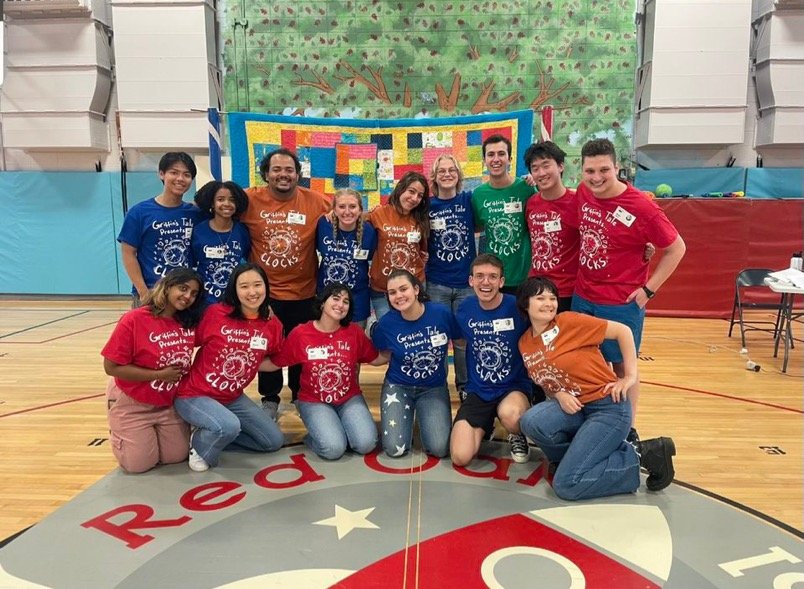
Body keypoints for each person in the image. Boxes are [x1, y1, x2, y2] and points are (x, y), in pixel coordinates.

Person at [517, 276, 676, 500]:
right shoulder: (525, 342)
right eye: (540, 297)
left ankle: (642, 455)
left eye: (552, 298)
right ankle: (577, 460)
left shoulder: (568, 322)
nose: (549, 303)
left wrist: (629, 376)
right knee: (530, 422)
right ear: (525, 303)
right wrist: (559, 394)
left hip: (607, 407)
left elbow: (623, 331)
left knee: (566, 485)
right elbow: (545, 379)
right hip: (575, 407)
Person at [573, 139, 686, 441]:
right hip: (583, 296)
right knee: (589, 364)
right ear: (581, 170)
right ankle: (597, 419)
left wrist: (648, 291)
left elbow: (676, 248)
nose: (596, 177)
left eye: (604, 170)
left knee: (625, 368)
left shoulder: (641, 206)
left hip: (621, 302)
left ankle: (627, 429)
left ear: (617, 168)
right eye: (590, 170)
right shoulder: (584, 192)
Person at [239, 148, 330, 419]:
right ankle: (270, 398)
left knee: (301, 345)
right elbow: (216, 202)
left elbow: (351, 212)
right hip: (265, 295)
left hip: (305, 291)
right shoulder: (248, 199)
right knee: (269, 347)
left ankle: (301, 395)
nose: (283, 175)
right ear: (266, 174)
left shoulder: (315, 201)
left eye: (289, 170)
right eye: (276, 169)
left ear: (297, 175)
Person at [174, 263, 285, 472]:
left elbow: (270, 361)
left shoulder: (272, 325)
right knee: (229, 426)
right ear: (234, 289)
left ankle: (215, 430)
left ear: (266, 288)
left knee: (273, 441)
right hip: (195, 394)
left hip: (232, 397)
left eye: (257, 285)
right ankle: (199, 441)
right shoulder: (216, 313)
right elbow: (187, 343)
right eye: (244, 286)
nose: (252, 292)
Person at [263, 283, 386, 460]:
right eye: (335, 299)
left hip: (349, 398)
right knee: (333, 449)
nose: (340, 304)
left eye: (346, 302)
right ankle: (317, 436)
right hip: (314, 401)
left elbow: (375, 359)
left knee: (366, 444)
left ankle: (335, 429)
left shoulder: (353, 332)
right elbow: (276, 362)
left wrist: (400, 349)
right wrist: (251, 361)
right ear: (322, 303)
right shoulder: (301, 333)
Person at [101, 268, 205, 473]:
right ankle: (119, 426)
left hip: (167, 404)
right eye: (183, 289)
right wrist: (159, 375)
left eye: (194, 294)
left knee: (176, 457)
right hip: (133, 400)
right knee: (138, 465)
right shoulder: (134, 319)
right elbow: (110, 367)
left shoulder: (187, 322)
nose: (188, 297)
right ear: (167, 287)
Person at [451, 254, 533, 466]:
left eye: (492, 276)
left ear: (501, 282)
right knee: (460, 457)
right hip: (479, 390)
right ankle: (486, 424)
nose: (485, 282)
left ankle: (516, 433)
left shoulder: (518, 307)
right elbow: (459, 340)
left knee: (510, 414)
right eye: (479, 276)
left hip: (512, 387)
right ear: (471, 281)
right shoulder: (465, 308)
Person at [372, 269, 462, 459]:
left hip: (432, 388)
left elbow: (461, 341)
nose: (398, 296)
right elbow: (383, 355)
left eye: (403, 289)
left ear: (415, 289)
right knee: (394, 449)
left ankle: (425, 417)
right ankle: (404, 424)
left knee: (439, 449)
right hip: (398, 387)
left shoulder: (441, 313)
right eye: (392, 292)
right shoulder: (386, 323)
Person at [118, 152, 203, 306]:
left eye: (186, 174)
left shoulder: (195, 213)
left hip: (184, 296)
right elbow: (128, 253)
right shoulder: (139, 212)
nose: (180, 179)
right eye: (174, 173)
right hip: (152, 293)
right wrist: (143, 292)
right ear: (162, 174)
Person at [426, 154, 476, 399]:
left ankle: (465, 387)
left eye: (451, 170)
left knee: (463, 339)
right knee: (437, 338)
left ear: (458, 175)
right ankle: (437, 388)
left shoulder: (469, 200)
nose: (447, 174)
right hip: (436, 282)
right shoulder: (427, 206)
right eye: (441, 170)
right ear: (434, 177)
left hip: (466, 284)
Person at [472, 135, 533, 294]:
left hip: (523, 277)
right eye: (491, 154)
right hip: (493, 278)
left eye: (501, 154)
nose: (496, 159)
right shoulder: (478, 194)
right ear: (484, 160)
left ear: (510, 158)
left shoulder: (526, 188)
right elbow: (478, 226)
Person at [524, 141, 578, 314]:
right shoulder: (531, 203)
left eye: (546, 166)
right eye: (535, 168)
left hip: (567, 292)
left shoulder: (578, 201)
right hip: (537, 290)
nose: (541, 173)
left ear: (561, 166)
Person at [367, 171, 430, 321]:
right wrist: (332, 214)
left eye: (420, 196)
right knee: (389, 334)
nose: (414, 198)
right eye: (411, 191)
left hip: (414, 287)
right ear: (401, 188)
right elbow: (354, 217)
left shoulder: (421, 219)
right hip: (382, 289)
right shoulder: (379, 213)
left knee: (415, 331)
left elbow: (422, 249)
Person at [316, 188, 377, 328]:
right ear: (334, 210)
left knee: (354, 344)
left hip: (357, 300)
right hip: (326, 298)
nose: (347, 212)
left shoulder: (369, 231)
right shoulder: (323, 225)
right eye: (342, 206)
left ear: (361, 209)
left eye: (353, 206)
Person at [190, 180, 251, 303]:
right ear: (212, 203)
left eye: (232, 200)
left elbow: (247, 258)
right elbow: (191, 263)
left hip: (235, 300)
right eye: (220, 199)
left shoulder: (242, 231)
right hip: (204, 300)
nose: (227, 204)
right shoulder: (198, 231)